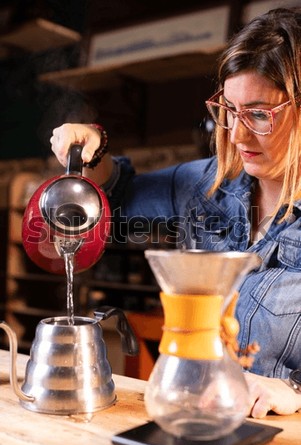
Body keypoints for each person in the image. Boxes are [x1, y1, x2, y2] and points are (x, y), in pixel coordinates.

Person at [50, 7, 301, 419]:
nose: (235, 135)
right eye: (230, 110)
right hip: (190, 419)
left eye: (259, 114)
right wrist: (92, 148)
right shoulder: (202, 186)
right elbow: (117, 200)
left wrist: (293, 389)